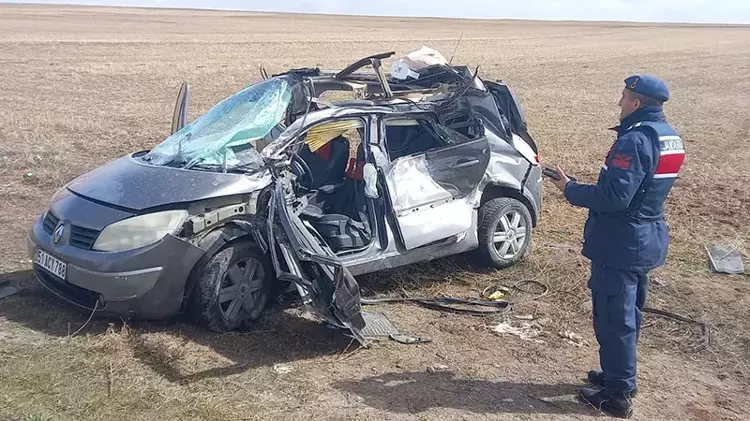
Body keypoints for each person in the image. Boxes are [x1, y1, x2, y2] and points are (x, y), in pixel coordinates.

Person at [548, 74, 686, 418]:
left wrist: (570, 188)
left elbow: (615, 197)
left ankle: (617, 395)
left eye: (624, 97)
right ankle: (618, 375)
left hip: (621, 241)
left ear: (636, 103)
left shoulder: (634, 141)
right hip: (646, 237)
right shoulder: (668, 136)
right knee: (629, 315)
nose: (619, 102)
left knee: (614, 318)